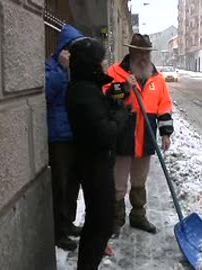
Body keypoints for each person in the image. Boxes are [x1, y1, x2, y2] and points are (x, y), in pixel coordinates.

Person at [66, 37, 129, 269]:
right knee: (100, 224)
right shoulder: (83, 92)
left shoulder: (87, 86)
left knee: (100, 222)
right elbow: (105, 132)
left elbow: (103, 99)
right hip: (94, 166)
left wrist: (123, 90)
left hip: (97, 163)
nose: (104, 64)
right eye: (101, 60)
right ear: (90, 63)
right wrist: (122, 114)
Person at [105, 33, 174, 237]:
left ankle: (138, 216)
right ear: (131, 51)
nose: (143, 57)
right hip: (122, 137)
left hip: (146, 138)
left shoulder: (157, 78)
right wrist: (124, 88)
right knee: (118, 183)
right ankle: (116, 219)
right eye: (139, 52)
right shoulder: (115, 71)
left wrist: (166, 133)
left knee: (139, 181)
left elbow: (164, 107)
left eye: (147, 53)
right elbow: (106, 95)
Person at [45, 24, 85, 251]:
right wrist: (62, 69)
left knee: (72, 184)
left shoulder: (74, 69)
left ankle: (68, 222)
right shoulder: (51, 68)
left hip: (73, 135)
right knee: (59, 186)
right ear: (64, 49)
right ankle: (58, 232)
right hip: (58, 138)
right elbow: (47, 94)